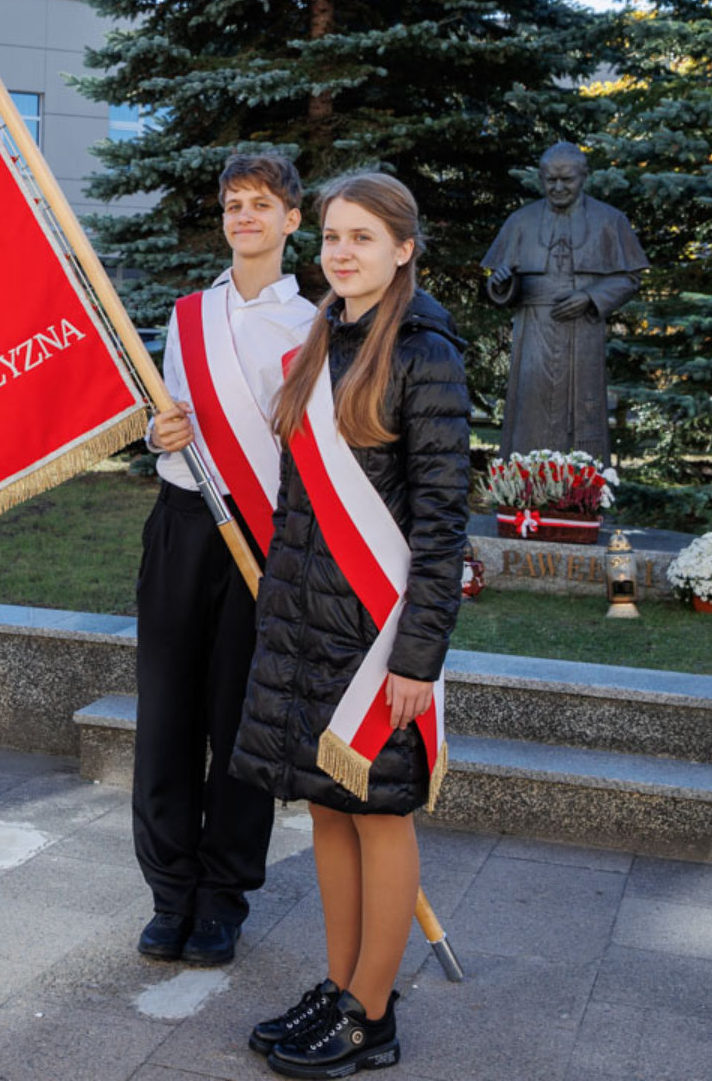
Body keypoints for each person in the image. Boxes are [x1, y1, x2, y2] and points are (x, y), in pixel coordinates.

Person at [231, 173, 469, 1077]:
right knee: (329, 809)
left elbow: (444, 526)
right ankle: (339, 987)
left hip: (377, 634)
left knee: (380, 815)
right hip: (306, 622)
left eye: (364, 238)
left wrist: (418, 657)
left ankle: (373, 1013)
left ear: (404, 249)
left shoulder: (426, 353)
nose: (342, 251)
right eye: (332, 235)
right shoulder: (324, 338)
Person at [134, 153, 318, 966]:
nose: (246, 217)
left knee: (240, 719)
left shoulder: (315, 324)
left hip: (262, 532)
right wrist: (154, 434)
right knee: (167, 713)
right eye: (234, 205)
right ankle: (169, 891)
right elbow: (163, 417)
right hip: (182, 527)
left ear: (292, 221)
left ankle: (222, 897)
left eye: (262, 205)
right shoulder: (187, 316)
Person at [481, 141, 648, 461]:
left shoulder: (610, 220)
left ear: (584, 176)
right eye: (550, 180)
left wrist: (590, 297)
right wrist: (502, 284)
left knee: (583, 411)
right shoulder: (520, 222)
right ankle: (524, 491)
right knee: (530, 407)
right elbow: (499, 287)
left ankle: (582, 496)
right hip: (534, 329)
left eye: (566, 180)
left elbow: (630, 278)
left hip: (584, 328)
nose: (557, 187)